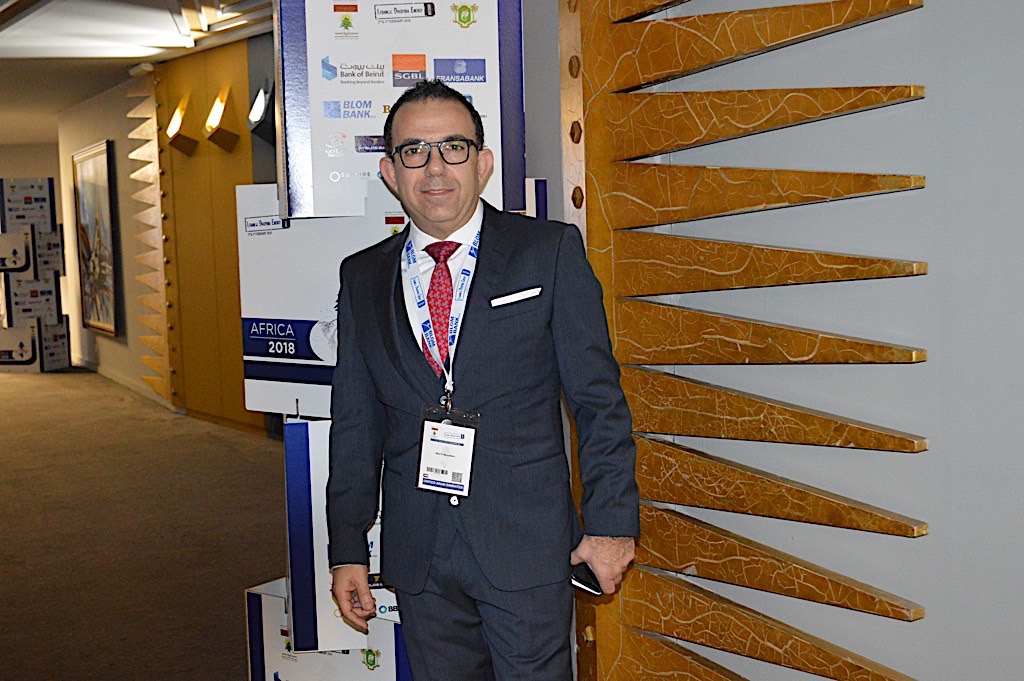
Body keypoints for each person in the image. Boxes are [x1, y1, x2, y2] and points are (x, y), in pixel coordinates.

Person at [327, 79, 639, 680]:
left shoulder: (547, 251)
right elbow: (356, 423)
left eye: (454, 147)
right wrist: (347, 548)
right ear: (390, 172)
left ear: (483, 163)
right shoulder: (362, 277)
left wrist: (611, 527)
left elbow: (598, 402)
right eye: (414, 151)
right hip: (419, 555)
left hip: (525, 545)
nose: (434, 167)